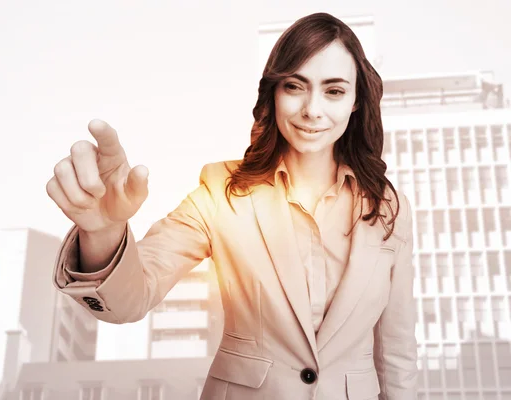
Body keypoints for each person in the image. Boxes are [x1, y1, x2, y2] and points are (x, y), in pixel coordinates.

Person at [46, 12, 418, 400]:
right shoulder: (222, 190)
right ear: (273, 94)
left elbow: (397, 350)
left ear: (356, 102)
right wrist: (103, 231)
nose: (312, 109)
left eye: (334, 91)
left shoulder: (389, 207)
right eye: (295, 86)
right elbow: (131, 299)